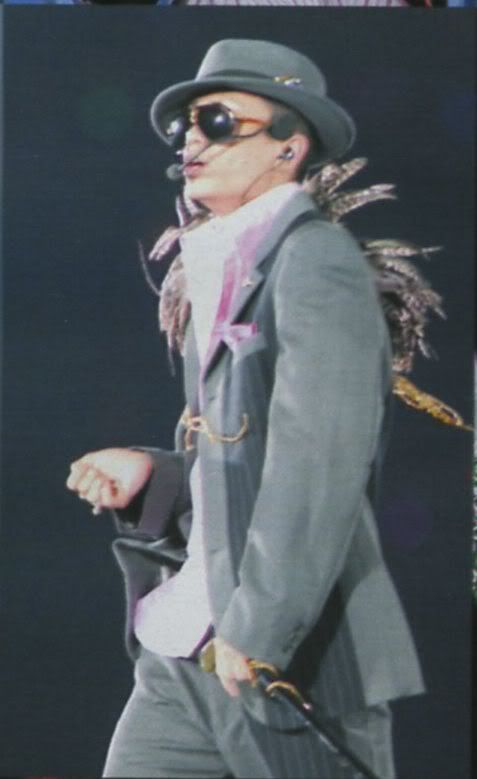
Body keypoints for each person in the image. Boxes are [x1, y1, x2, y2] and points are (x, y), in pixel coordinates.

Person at [66, 39, 425, 779]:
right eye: (187, 126)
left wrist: (260, 628)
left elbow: (317, 464)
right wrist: (156, 473)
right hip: (185, 645)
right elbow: (237, 454)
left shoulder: (315, 260)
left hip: (286, 658)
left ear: (289, 147)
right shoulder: (223, 261)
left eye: (220, 121)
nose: (192, 141)